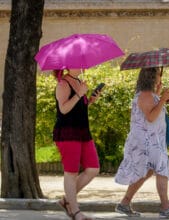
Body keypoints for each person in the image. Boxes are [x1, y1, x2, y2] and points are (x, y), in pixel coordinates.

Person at [114, 67, 169, 219]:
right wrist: (163, 99)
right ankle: (166, 208)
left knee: (146, 171)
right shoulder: (146, 96)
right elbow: (151, 117)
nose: (160, 77)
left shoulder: (147, 95)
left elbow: (150, 109)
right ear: (151, 77)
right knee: (161, 170)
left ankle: (124, 204)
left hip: (148, 140)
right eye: (158, 74)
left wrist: (158, 95)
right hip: (149, 141)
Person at [53, 69, 101, 220]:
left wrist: (90, 101)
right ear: (68, 64)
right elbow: (64, 109)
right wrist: (80, 94)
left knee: (93, 169)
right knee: (71, 172)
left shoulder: (79, 82)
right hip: (68, 133)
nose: (81, 65)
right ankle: (75, 211)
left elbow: (77, 109)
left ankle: (67, 200)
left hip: (83, 132)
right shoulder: (63, 84)